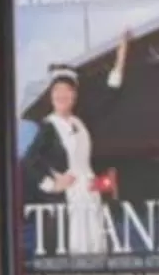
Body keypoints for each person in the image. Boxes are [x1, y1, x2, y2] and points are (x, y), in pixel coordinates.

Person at [21, 71, 114, 257]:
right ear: (51, 95)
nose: (61, 95)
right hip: (68, 199)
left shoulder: (79, 122)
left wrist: (120, 61)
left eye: (67, 90)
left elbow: (108, 97)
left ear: (74, 95)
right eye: (57, 90)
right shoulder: (48, 126)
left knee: (95, 245)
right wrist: (52, 184)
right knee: (74, 247)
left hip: (90, 195)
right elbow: (30, 161)